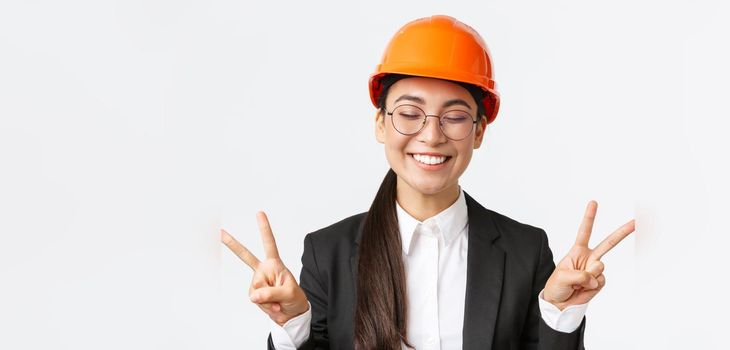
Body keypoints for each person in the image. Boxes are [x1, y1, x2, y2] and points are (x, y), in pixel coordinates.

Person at [221, 15, 635, 350]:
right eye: (409, 112)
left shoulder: (525, 251)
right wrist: (293, 325)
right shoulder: (328, 252)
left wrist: (561, 315)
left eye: (454, 116)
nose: (432, 135)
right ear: (381, 124)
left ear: (478, 132)